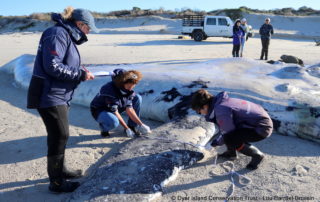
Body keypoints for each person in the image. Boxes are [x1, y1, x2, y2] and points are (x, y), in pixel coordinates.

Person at [26, 7, 97, 193]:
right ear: (80, 24)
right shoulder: (57, 33)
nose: (89, 33)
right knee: (60, 135)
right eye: (89, 29)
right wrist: (80, 74)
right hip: (49, 93)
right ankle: (56, 182)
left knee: (60, 134)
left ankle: (61, 170)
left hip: (58, 93)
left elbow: (61, 63)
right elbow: (52, 66)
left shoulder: (64, 34)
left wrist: (80, 70)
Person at [191, 89, 273, 170]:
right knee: (229, 134)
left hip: (262, 128)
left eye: (199, 111)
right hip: (259, 122)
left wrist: (214, 144)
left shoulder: (221, 111)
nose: (200, 114)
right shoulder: (220, 103)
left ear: (205, 106)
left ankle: (257, 156)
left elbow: (227, 132)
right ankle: (231, 154)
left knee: (230, 138)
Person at [90, 68, 151, 138]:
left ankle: (132, 126)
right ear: (122, 82)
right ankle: (104, 128)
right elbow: (115, 112)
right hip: (100, 109)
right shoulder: (109, 90)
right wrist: (126, 128)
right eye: (129, 86)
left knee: (137, 98)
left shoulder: (128, 91)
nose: (131, 88)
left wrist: (141, 124)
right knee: (114, 122)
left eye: (133, 86)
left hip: (117, 105)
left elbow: (129, 109)